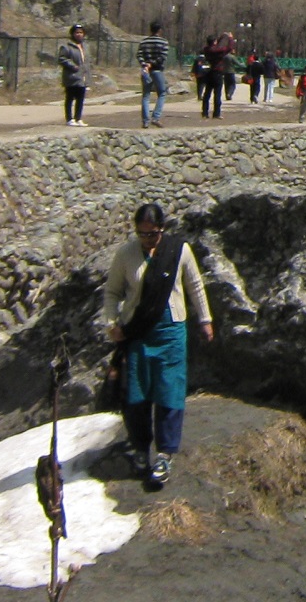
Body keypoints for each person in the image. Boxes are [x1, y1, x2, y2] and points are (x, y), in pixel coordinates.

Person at [102, 202, 212, 486]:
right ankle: (140, 447)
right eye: (142, 234)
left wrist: (205, 319)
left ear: (162, 229)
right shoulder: (125, 255)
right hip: (138, 333)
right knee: (136, 394)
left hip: (171, 332)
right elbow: (112, 292)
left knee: (169, 390)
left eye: (153, 234)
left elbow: (195, 285)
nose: (148, 240)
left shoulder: (178, 251)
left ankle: (165, 453)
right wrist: (112, 323)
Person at [137, 21, 169, 129]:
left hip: (145, 70)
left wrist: (145, 64)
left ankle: (145, 121)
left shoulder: (144, 42)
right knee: (162, 93)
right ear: (160, 30)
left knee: (146, 95)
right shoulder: (163, 42)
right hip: (157, 70)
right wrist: (152, 64)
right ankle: (155, 117)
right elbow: (162, 57)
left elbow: (139, 55)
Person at [59, 25, 90, 126]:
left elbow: (87, 62)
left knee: (80, 99)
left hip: (82, 77)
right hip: (71, 77)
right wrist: (72, 66)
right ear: (72, 34)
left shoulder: (85, 46)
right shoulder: (67, 46)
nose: (79, 34)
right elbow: (62, 58)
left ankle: (78, 118)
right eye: (77, 32)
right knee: (70, 98)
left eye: (81, 32)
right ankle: (69, 119)